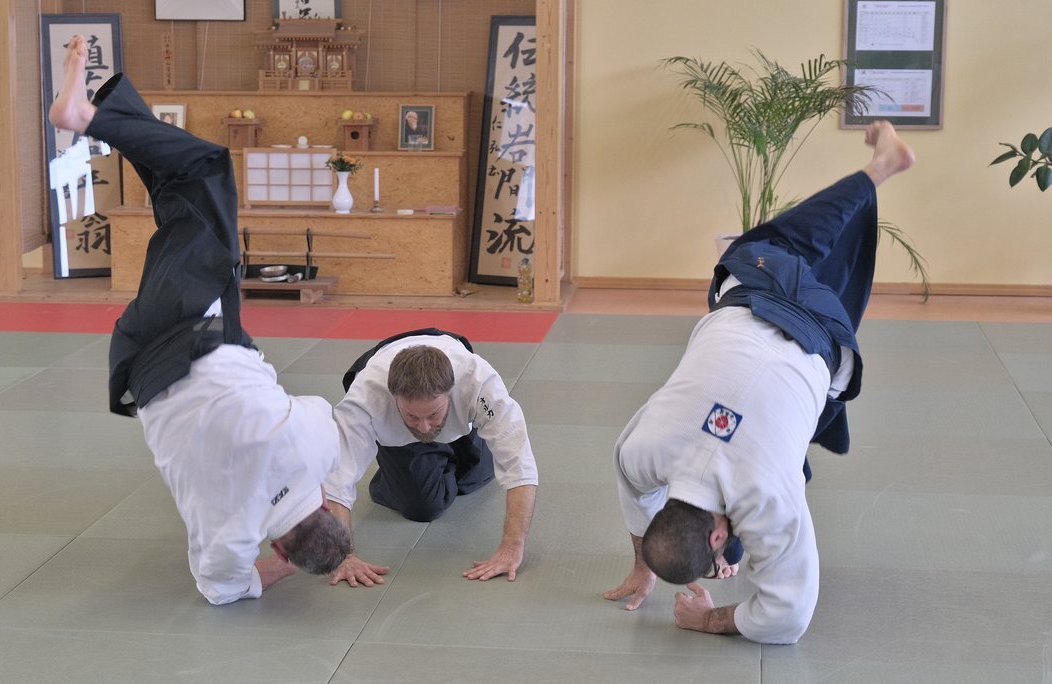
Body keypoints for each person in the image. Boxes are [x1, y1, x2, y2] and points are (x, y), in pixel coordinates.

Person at [49, 35, 350, 604]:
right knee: (182, 204)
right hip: (141, 364)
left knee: (208, 170)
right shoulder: (233, 535)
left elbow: (327, 426)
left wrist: (331, 505)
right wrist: (283, 567)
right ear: (279, 548)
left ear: (329, 509)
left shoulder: (316, 448)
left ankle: (88, 116)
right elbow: (223, 590)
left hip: (200, 331)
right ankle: (109, 108)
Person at [604, 121, 916, 644]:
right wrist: (644, 562)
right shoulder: (641, 453)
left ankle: (884, 166)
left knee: (843, 280)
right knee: (791, 239)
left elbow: (787, 619)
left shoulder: (769, 499)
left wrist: (707, 619)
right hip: (753, 291)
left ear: (721, 533)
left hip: (826, 343)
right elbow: (637, 500)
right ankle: (879, 168)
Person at [322, 330, 538, 586]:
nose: (423, 428)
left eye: (433, 414)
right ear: (393, 399)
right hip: (392, 416)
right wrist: (344, 556)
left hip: (451, 354)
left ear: (451, 392)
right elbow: (336, 483)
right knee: (423, 506)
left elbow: (519, 465)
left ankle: (451, 442)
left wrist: (512, 547)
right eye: (412, 416)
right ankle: (393, 472)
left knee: (479, 473)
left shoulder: (477, 382)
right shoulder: (365, 400)